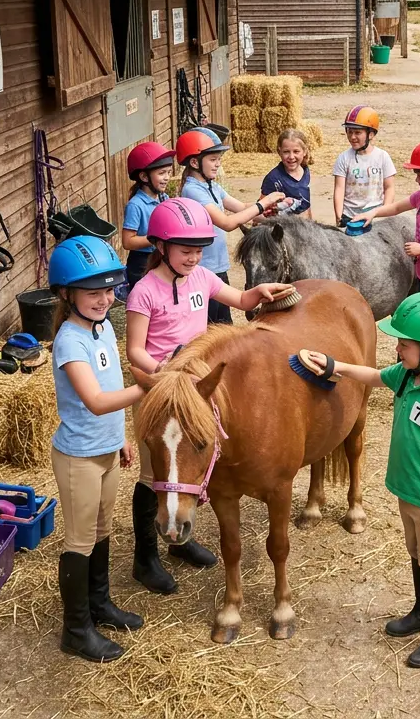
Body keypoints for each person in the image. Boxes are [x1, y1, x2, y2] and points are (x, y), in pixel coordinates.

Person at [125, 197, 292, 594]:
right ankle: (145, 558)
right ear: (160, 246)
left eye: (199, 249)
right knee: (154, 476)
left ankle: (181, 539)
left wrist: (259, 292)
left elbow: (240, 301)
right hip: (161, 390)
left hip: (197, 391)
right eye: (185, 250)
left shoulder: (201, 278)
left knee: (193, 465)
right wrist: (164, 373)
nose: (194, 257)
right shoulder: (144, 291)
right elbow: (134, 350)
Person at [301, 292, 420, 668]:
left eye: (404, 344)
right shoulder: (408, 376)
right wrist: (335, 366)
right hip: (409, 490)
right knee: (416, 553)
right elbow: (374, 376)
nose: (397, 348)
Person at [48, 235, 145, 663]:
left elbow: (110, 384)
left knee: (102, 530)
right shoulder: (71, 340)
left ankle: (99, 604)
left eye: (109, 290)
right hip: (80, 458)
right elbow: (96, 400)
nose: (105, 299)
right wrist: (147, 388)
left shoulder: (102, 328)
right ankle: (76, 629)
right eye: (93, 293)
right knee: (80, 540)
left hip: (105, 451)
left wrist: (120, 436)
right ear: (66, 295)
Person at [352, 139, 420, 387]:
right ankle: (410, 380)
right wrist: (372, 213)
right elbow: (395, 207)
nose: (417, 180)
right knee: (415, 332)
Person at [177, 128, 284, 324]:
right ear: (194, 162)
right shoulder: (192, 190)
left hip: (218, 268)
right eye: (213, 159)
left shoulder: (212, 186)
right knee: (209, 328)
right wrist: (263, 203)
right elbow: (226, 223)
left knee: (224, 325)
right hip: (203, 269)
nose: (218, 164)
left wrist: (272, 211)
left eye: (219, 159)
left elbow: (242, 208)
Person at [121, 141, 175, 291]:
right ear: (144, 177)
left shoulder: (164, 198)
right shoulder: (136, 205)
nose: (167, 177)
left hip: (160, 257)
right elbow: (127, 242)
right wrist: (157, 238)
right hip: (141, 264)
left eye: (169, 172)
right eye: (161, 173)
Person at [332, 106, 396, 227]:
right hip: (349, 216)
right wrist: (339, 216)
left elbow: (389, 188)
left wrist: (385, 212)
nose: (352, 137)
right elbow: (339, 189)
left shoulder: (383, 157)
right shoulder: (343, 158)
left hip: (375, 216)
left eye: (357, 132)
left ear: (370, 134)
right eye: (349, 132)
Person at [261, 129, 314, 219]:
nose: (291, 157)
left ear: (304, 151)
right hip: (282, 225)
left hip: (304, 225)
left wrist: (311, 222)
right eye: (286, 152)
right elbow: (261, 210)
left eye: (296, 151)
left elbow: (306, 204)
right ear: (279, 152)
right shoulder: (273, 179)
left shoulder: (305, 171)